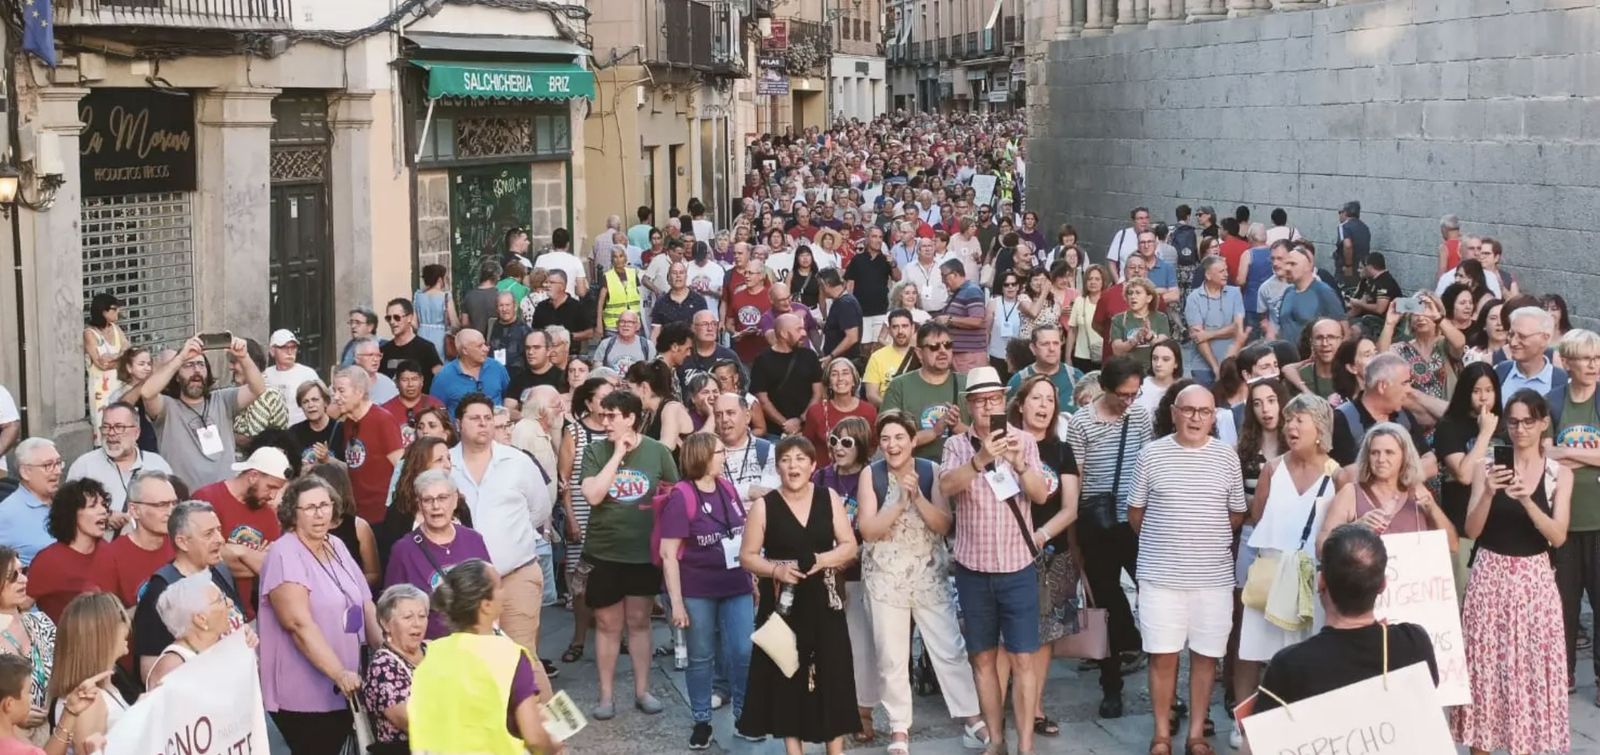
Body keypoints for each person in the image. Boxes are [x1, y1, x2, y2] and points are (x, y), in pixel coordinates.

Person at [934, 366, 1053, 755]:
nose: (989, 407)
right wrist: (981, 458)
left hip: (1017, 566)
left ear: (1005, 402)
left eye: (995, 399)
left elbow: (1039, 496)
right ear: (969, 406)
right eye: (981, 401)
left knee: (1023, 659)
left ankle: (1026, 747)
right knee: (982, 658)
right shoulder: (957, 446)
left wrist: (1018, 463)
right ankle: (997, 741)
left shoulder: (1024, 441)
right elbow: (947, 487)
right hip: (973, 568)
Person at [856, 411, 986, 753]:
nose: (892, 445)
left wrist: (917, 498)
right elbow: (868, 530)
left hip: (929, 574)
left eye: (899, 437)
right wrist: (899, 500)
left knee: (949, 647)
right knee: (891, 655)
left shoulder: (930, 471)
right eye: (885, 439)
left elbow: (944, 524)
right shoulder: (872, 474)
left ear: (913, 440)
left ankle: (972, 718)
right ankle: (900, 728)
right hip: (885, 577)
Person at [1129, 384, 1246, 755]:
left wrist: (1202, 536)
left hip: (1212, 577)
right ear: (1174, 412)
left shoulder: (1227, 456)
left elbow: (1237, 513)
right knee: (1162, 655)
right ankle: (1161, 732)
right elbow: (1136, 513)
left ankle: (1196, 733)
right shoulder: (1151, 454)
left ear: (1214, 417)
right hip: (1160, 575)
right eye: (1189, 410)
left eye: (1205, 411)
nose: (1196, 418)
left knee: (1206, 656)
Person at [1452, 389, 1571, 753]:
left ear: (1543, 422)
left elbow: (1558, 536)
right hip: (1490, 575)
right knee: (1485, 673)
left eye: (1528, 422)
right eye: (1514, 422)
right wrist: (1487, 492)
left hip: (1535, 580)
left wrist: (1525, 501)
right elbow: (1471, 531)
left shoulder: (1558, 473)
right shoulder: (1485, 466)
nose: (1519, 430)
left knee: (1532, 673)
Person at [736, 436, 859, 750]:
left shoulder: (828, 497)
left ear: (813, 465)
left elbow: (849, 545)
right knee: (787, 675)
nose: (793, 466)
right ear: (777, 466)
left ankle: (835, 749)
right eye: (786, 459)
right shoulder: (764, 506)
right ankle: (793, 750)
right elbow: (747, 556)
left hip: (824, 598)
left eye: (800, 459)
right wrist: (777, 570)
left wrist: (823, 560)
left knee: (833, 675)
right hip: (783, 604)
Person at [1248, 525, 1438, 727]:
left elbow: (1256, 745)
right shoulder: (1413, 642)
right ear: (1382, 585)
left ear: (1321, 584)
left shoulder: (1290, 665)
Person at [1231, 394, 1336, 746]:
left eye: (1299, 420)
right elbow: (1258, 517)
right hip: (1272, 571)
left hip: (1311, 577)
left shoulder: (1338, 474)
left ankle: (1300, 722)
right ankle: (1243, 722)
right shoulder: (1271, 470)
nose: (1290, 426)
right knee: (1252, 650)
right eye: (1289, 420)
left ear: (1320, 429)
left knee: (1307, 650)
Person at [258, 475, 379, 754]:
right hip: (305, 697)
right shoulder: (284, 553)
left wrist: (386, 651)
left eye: (324, 505)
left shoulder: (335, 545)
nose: (320, 513)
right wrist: (338, 673)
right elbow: (298, 624)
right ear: (292, 514)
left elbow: (365, 602)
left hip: (348, 688)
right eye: (310, 508)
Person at [579, 389, 679, 718]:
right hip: (605, 551)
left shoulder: (657, 452)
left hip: (642, 552)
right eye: (602, 415)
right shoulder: (595, 451)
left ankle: (642, 690)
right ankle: (606, 697)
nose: (604, 422)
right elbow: (593, 495)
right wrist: (616, 456)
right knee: (607, 625)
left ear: (631, 418)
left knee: (638, 622)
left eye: (611, 416)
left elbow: (675, 496)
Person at [1065, 357, 1155, 717]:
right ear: (1105, 388)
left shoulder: (1140, 416)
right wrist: (1073, 537)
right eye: (1123, 394)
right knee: (1104, 603)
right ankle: (1111, 683)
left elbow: (1147, 464)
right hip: (1096, 523)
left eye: (1135, 394)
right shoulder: (1082, 422)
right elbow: (1077, 479)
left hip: (1134, 522)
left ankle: (1159, 678)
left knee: (1151, 594)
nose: (1129, 401)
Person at [451, 394, 555, 694]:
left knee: (523, 656)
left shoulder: (517, 461)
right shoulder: (447, 462)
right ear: (459, 423)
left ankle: (552, 734)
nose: (483, 424)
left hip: (515, 574)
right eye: (475, 418)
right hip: (466, 584)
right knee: (475, 663)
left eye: (487, 418)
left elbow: (541, 509)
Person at [658, 432, 756, 749]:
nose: (724, 456)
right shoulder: (682, 496)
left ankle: (744, 716)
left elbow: (741, 535)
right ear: (702, 456)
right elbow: (668, 554)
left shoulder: (726, 488)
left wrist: (752, 579)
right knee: (701, 656)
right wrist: (676, 605)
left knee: (743, 650)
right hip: (697, 588)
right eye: (718, 452)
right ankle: (702, 720)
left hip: (735, 582)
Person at [408, 558, 561, 754]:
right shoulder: (511, 656)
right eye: (499, 586)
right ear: (486, 605)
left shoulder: (431, 655)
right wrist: (552, 747)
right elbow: (534, 738)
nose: (504, 591)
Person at [1007, 374, 1082, 739]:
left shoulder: (1061, 450)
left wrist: (1041, 534)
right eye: (1036, 399)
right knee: (1010, 635)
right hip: (1005, 551)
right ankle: (1012, 701)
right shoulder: (1003, 444)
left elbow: (1070, 508)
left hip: (1051, 552)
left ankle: (1034, 707)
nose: (1042, 406)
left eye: (1049, 400)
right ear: (1020, 404)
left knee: (1046, 634)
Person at [131, 500, 245, 681]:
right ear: (182, 542)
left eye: (218, 530)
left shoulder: (220, 571)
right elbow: (151, 674)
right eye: (209, 534)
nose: (220, 539)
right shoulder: (161, 589)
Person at [136, 335, 266, 489]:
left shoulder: (223, 400)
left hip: (224, 497)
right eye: (189, 365)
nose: (196, 370)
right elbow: (146, 392)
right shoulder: (167, 407)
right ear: (177, 376)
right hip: (185, 503)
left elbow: (258, 389)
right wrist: (180, 358)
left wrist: (243, 357)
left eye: (200, 365)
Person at [1548, 329, 1600, 694]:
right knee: (1563, 605)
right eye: (1587, 359)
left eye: (1598, 359)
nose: (1595, 365)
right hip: (1564, 521)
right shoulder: (1553, 401)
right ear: (1568, 362)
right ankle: (1562, 674)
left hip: (1599, 520)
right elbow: (1544, 455)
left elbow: (1558, 454)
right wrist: (1591, 459)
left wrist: (1569, 455)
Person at [1318, 422, 1456, 551]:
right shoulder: (1351, 493)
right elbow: (1321, 548)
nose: (1381, 460)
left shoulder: (1418, 492)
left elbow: (1452, 546)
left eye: (1389, 452)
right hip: (1363, 576)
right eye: (1374, 453)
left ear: (1405, 456)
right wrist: (1355, 528)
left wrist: (1432, 509)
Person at [191, 447, 292, 619]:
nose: (273, 496)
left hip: (245, 615)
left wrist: (236, 552)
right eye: (270, 487)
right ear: (253, 476)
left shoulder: (268, 515)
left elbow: (270, 568)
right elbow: (201, 559)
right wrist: (251, 556)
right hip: (205, 614)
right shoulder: (206, 499)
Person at [1431, 362, 1501, 595]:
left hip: (1500, 524)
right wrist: (1484, 434)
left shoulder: (1506, 424)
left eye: (1489, 390)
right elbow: (1464, 474)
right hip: (1462, 523)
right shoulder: (1449, 426)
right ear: (1465, 392)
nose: (1483, 398)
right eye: (1477, 391)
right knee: (1467, 594)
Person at [46, 593, 130, 749]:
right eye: (121, 619)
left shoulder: (104, 689)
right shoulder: (89, 701)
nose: (127, 626)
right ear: (101, 636)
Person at [66, 402, 172, 523]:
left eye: (119, 427)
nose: (111, 433)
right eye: (106, 427)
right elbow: (68, 511)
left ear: (136, 432)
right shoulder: (84, 466)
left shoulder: (157, 465)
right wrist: (103, 517)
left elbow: (172, 509)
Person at [1329, 353, 1436, 468]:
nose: (1409, 390)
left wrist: (1396, 475)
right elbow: (1349, 475)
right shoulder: (1342, 420)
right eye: (1404, 383)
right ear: (1382, 386)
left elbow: (1431, 463)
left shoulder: (1403, 415)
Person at [144, 570, 246, 689]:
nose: (230, 602)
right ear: (200, 619)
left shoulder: (219, 642)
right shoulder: (172, 667)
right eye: (220, 599)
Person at [882, 323, 969, 461]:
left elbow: (985, 437)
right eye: (934, 347)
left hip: (960, 471)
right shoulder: (899, 386)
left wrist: (958, 427)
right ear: (919, 353)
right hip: (913, 471)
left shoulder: (969, 384)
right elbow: (888, 440)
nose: (942, 351)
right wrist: (934, 432)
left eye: (947, 345)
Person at [87, 471, 175, 608]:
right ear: (134, 510)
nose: (170, 512)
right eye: (161, 505)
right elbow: (105, 619)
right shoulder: (110, 557)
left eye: (173, 503)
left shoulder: (183, 544)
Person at [25, 481, 109, 622]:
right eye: (93, 506)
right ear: (72, 513)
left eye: (103, 504)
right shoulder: (49, 561)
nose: (103, 511)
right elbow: (20, 605)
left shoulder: (109, 552)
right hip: (66, 641)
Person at [362, 584, 429, 753]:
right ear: (386, 624)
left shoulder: (434, 651)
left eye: (422, 616)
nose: (417, 624)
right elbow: (410, 722)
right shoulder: (383, 666)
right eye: (408, 617)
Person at [0, 545, 53, 748]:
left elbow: (64, 677)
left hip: (49, 735)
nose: (23, 580)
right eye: (12, 576)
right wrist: (17, 713)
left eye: (22, 572)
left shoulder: (41, 622)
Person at [1377, 292, 1463, 407]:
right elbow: (1381, 359)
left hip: (1448, 414)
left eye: (1426, 311)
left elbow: (1459, 343)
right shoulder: (1403, 349)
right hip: (1415, 416)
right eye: (1415, 312)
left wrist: (1437, 317)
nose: (1420, 317)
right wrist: (1389, 324)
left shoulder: (1445, 343)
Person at [750, 313, 824, 439]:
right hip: (775, 433)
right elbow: (762, 399)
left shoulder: (810, 356)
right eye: (798, 329)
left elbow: (818, 393)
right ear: (784, 334)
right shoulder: (762, 360)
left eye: (803, 328)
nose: (804, 334)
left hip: (808, 429)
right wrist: (785, 424)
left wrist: (801, 420)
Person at [1273, 245, 1346, 358]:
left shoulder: (1323, 291)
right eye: (1286, 263)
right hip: (1286, 360)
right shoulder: (1288, 292)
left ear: (1307, 266)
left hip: (1311, 362)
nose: (1287, 268)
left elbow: (1344, 330)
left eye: (1293, 264)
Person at [1185, 256, 1245, 385]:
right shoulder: (1193, 298)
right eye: (1221, 271)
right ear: (1208, 275)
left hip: (1231, 362)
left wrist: (1208, 334)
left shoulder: (1235, 293)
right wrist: (1216, 368)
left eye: (1226, 270)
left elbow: (1237, 328)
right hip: (1202, 366)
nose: (1226, 274)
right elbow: (1198, 338)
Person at [713, 392, 778, 509]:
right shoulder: (708, 454)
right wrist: (749, 491)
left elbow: (770, 494)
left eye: (730, 413)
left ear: (747, 416)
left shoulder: (768, 450)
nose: (724, 419)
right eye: (718, 415)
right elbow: (708, 494)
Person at [802, 359, 877, 456]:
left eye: (845, 373)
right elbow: (806, 447)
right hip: (823, 469)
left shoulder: (869, 411)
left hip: (859, 470)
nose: (840, 378)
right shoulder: (815, 412)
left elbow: (872, 446)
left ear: (854, 380)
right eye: (834, 374)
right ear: (829, 382)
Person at [431, 329, 512, 415]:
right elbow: (436, 412)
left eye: (485, 344)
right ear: (465, 350)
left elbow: (509, 397)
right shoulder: (444, 377)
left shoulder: (497, 368)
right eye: (480, 346)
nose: (486, 349)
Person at [83, 292, 128, 441]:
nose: (117, 312)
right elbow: (101, 364)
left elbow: (128, 351)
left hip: (120, 383)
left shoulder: (115, 329)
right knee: (103, 423)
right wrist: (119, 357)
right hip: (101, 389)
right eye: (114, 309)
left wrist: (115, 358)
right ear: (103, 312)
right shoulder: (90, 334)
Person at [1497, 305, 1567, 400]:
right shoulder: (1500, 372)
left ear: (1544, 338)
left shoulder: (1561, 380)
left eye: (1522, 336)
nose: (1513, 342)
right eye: (1511, 335)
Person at [380, 298, 445, 392]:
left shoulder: (426, 348)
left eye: (397, 317)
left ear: (409, 318)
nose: (392, 322)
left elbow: (440, 379)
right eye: (388, 318)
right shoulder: (384, 350)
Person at [936, 260, 988, 374]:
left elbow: (977, 320)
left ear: (955, 274)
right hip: (957, 354)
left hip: (969, 356)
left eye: (944, 276)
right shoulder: (957, 293)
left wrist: (949, 320)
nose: (942, 281)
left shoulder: (972, 291)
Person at [264, 330, 322, 426]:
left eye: (293, 347)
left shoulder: (308, 374)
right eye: (284, 347)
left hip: (301, 430)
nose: (290, 352)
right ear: (272, 351)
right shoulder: (266, 375)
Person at [864, 309, 918, 405]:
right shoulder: (877, 357)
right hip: (888, 413)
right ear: (889, 330)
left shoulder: (923, 356)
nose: (900, 331)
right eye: (895, 327)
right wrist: (891, 408)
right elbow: (871, 394)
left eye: (904, 326)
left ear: (912, 328)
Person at [986, 272, 1025, 378]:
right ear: (1002, 287)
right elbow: (986, 331)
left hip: (1017, 357)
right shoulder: (993, 303)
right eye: (1006, 284)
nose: (1010, 287)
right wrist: (985, 355)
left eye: (1013, 284)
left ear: (1018, 286)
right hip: (996, 355)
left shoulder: (1024, 304)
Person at [818, 270, 862, 361]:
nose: (819, 289)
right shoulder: (840, 302)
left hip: (844, 361)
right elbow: (837, 328)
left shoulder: (845, 304)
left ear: (826, 285)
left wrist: (831, 356)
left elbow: (852, 337)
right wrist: (821, 323)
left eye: (820, 285)